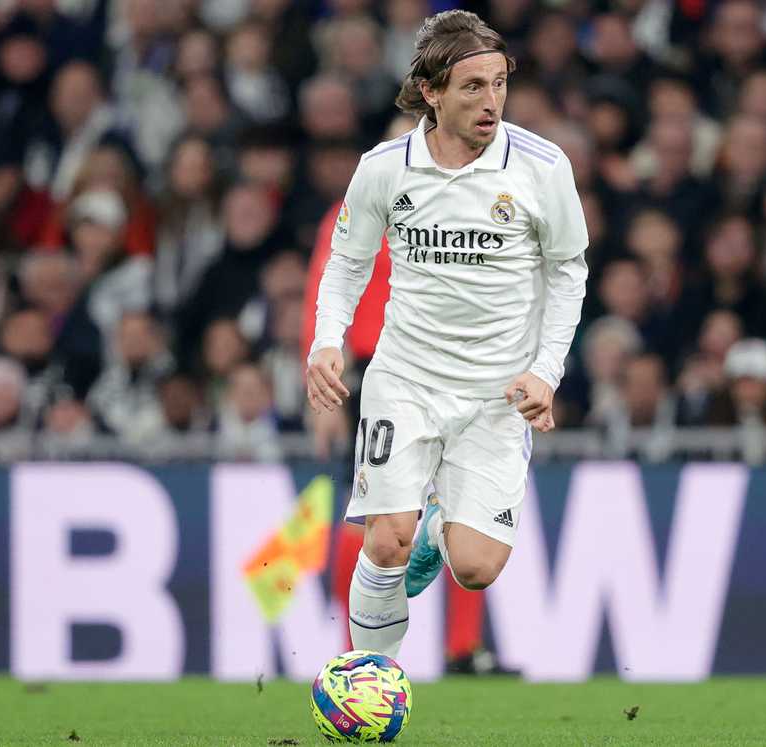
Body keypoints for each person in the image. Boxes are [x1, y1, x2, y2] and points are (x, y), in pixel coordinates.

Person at [306, 10, 588, 659]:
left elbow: (568, 272)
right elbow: (345, 261)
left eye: (499, 84)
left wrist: (547, 369)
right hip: (404, 377)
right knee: (384, 540)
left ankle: (439, 526)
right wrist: (328, 341)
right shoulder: (383, 168)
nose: (491, 102)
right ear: (431, 92)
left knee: (476, 566)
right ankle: (370, 678)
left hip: (496, 394)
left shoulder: (543, 168)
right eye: (472, 87)